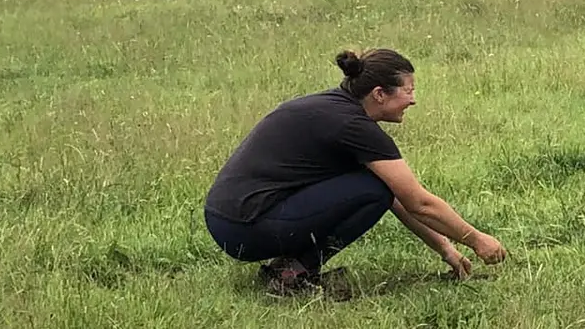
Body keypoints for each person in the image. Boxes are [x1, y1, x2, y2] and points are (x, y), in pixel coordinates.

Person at [203, 48, 507, 296]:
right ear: (379, 94)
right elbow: (418, 202)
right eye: (408, 90)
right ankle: (291, 274)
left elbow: (400, 199)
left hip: (227, 220)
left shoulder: (333, 107)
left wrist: (446, 249)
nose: (413, 99)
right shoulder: (353, 127)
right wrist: (477, 239)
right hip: (247, 227)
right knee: (374, 190)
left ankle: (289, 267)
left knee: (375, 187)